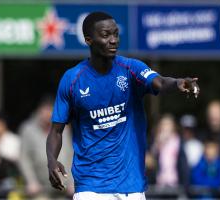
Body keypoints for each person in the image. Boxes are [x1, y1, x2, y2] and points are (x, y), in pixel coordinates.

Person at [46, 11, 200, 200]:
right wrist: (52, 160)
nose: (113, 40)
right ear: (88, 40)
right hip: (90, 186)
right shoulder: (72, 79)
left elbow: (158, 82)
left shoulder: (131, 69)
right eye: (105, 35)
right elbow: (56, 131)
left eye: (116, 34)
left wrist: (177, 83)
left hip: (131, 186)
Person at [19, 97, 74, 199]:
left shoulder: (64, 129)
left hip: (64, 188)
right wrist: (31, 181)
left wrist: (72, 181)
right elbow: (24, 158)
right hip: (40, 188)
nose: (48, 114)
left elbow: (70, 156)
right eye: (46, 110)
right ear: (39, 111)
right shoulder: (28, 130)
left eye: (51, 110)